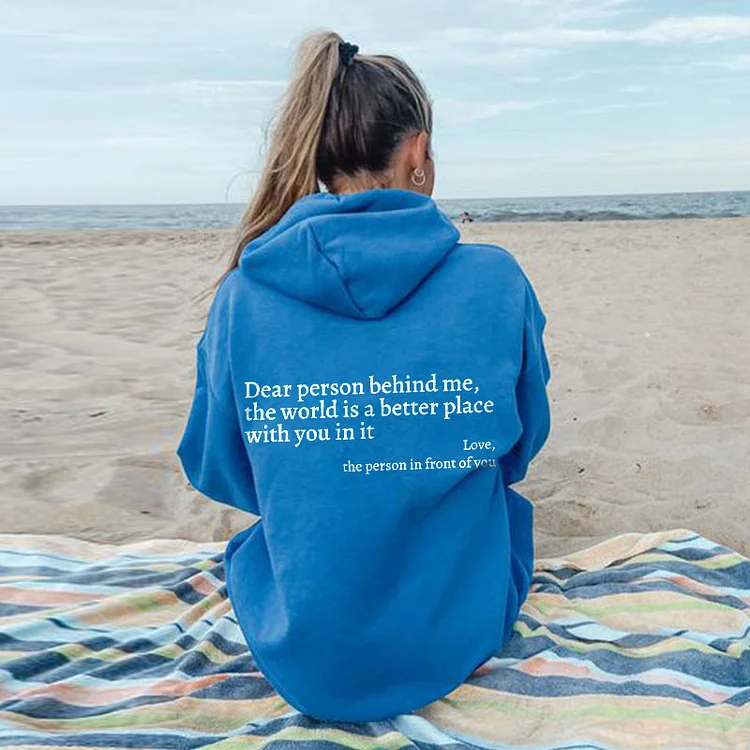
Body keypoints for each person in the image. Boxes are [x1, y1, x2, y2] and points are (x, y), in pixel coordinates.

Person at [177, 30, 550, 723]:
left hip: (302, 641)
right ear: (418, 151)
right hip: (461, 624)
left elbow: (216, 468)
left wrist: (327, 473)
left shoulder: (243, 296)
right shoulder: (495, 279)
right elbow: (520, 447)